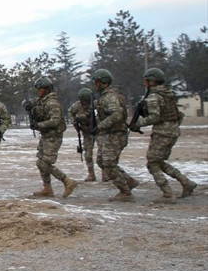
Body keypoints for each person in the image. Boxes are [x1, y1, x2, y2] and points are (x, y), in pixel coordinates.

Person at [130, 68, 198, 203]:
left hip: (162, 133)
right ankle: (186, 182)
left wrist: (138, 124)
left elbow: (155, 117)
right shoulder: (168, 94)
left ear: (151, 81)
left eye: (146, 80)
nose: (144, 83)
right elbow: (179, 115)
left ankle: (167, 194)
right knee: (159, 162)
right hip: (172, 131)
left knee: (152, 164)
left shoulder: (154, 96)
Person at [22, 77, 77, 198]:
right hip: (45, 135)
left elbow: (55, 121)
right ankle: (47, 188)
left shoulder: (52, 102)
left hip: (53, 136)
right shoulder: (42, 100)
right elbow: (29, 102)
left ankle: (67, 181)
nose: (39, 92)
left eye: (42, 89)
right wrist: (27, 105)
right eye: (38, 90)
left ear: (47, 89)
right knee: (39, 162)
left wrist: (39, 125)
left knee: (45, 164)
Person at [91, 68, 139, 201]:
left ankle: (125, 192)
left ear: (104, 82)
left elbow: (117, 115)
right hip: (110, 133)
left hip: (116, 133)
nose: (95, 85)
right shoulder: (105, 97)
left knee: (108, 163)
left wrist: (100, 125)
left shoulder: (111, 97)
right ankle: (128, 181)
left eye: (97, 82)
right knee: (102, 161)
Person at [67, 88, 97, 181]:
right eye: (83, 101)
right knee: (88, 154)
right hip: (86, 132)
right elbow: (70, 113)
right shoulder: (77, 105)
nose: (85, 103)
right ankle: (91, 174)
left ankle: (106, 175)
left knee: (103, 155)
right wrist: (75, 123)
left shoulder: (96, 104)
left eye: (86, 101)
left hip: (99, 131)